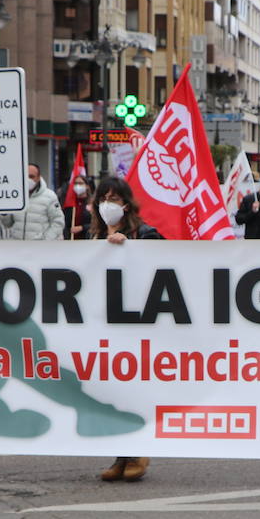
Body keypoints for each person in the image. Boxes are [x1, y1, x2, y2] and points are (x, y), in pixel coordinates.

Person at [89, 176, 159, 482]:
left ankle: (138, 450)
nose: (108, 205)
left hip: (136, 324)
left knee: (134, 390)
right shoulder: (93, 237)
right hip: (104, 325)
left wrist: (130, 248)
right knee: (112, 393)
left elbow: (168, 258)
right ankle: (121, 455)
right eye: (103, 198)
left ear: (126, 204)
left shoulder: (144, 233)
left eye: (114, 199)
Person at [0, 163, 65, 240]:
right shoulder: (15, 195)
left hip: (39, 248)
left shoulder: (49, 196)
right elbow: (7, 224)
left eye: (31, 176)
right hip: (18, 246)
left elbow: (58, 222)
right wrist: (4, 213)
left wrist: (46, 240)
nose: (28, 179)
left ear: (39, 178)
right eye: (26, 176)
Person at [64, 172, 94, 240]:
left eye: (80, 183)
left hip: (87, 239)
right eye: (75, 183)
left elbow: (97, 224)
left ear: (87, 186)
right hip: (72, 239)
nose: (78, 186)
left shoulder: (93, 203)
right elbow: (66, 223)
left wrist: (82, 228)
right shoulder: (70, 203)